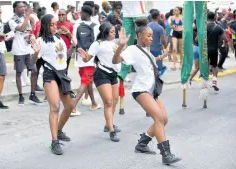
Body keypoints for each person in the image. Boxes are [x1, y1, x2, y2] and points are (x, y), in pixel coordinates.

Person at [112, 19, 181, 165]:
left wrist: (162, 56)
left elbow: (148, 63)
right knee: (159, 118)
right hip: (141, 89)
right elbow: (116, 60)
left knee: (164, 119)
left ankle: (142, 143)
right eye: (149, 36)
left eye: (152, 36)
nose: (151, 38)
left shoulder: (146, 50)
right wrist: (122, 45)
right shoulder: (132, 50)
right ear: (140, 36)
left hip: (152, 90)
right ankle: (166, 154)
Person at [31, 14, 75, 155]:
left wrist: (73, 48)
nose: (55, 26)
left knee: (69, 107)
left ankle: (59, 130)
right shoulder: (40, 41)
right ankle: (54, 142)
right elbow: (32, 62)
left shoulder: (59, 39)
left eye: (55, 24)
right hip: (50, 75)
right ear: (45, 26)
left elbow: (63, 57)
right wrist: (36, 52)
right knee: (55, 106)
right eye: (52, 24)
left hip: (62, 75)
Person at [78, 23, 121, 142]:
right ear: (105, 33)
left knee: (115, 100)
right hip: (102, 74)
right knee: (108, 102)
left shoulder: (114, 43)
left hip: (113, 74)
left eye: (114, 31)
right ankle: (111, 131)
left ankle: (109, 124)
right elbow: (87, 58)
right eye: (112, 32)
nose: (114, 33)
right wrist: (84, 56)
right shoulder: (97, 44)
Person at [9, 1, 41, 105]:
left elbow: (28, 30)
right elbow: (22, 28)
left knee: (34, 71)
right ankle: (21, 96)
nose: (23, 8)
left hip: (28, 49)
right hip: (18, 50)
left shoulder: (26, 17)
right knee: (19, 72)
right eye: (20, 7)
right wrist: (28, 16)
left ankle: (32, 94)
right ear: (15, 9)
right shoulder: (12, 20)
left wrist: (31, 37)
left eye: (24, 6)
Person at [72, 5, 101, 116]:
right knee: (85, 81)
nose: (80, 14)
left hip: (80, 57)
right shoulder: (97, 25)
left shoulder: (77, 24)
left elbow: (74, 41)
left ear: (86, 13)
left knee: (87, 80)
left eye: (82, 12)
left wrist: (79, 51)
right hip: (90, 57)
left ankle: (93, 103)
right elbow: (98, 41)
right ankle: (73, 107)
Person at [207, 11, 228, 91]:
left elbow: (197, 39)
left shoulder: (203, 27)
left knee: (205, 66)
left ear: (207, 18)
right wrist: (224, 43)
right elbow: (225, 39)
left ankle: (204, 83)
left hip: (205, 50)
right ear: (215, 17)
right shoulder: (218, 27)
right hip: (214, 50)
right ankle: (214, 81)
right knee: (214, 66)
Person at [148, 10, 167, 76]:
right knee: (158, 67)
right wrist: (166, 48)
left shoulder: (147, 26)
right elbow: (163, 40)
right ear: (158, 16)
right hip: (157, 49)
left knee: (150, 65)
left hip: (148, 48)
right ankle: (157, 80)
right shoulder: (160, 28)